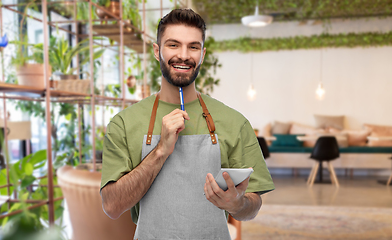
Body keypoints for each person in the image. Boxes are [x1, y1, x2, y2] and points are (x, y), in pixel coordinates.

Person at [100, 8, 275, 239]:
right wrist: (160, 151)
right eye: (173, 45)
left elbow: (253, 205)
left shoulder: (235, 122)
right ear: (157, 50)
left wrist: (237, 204)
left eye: (193, 46)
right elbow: (112, 206)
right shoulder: (124, 124)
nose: (183, 55)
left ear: (202, 54)